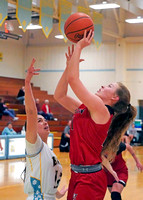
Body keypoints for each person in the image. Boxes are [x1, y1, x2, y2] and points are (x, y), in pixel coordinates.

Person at [54, 30, 136, 200]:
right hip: (77, 175)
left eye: (109, 86)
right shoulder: (88, 109)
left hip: (89, 179)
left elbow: (74, 81)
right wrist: (68, 66)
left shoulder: (102, 110)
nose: (103, 85)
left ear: (114, 98)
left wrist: (79, 47)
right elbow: (59, 96)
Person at [24, 58, 67, 200]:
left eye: (44, 120)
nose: (45, 122)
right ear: (31, 128)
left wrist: (57, 194)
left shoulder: (47, 150)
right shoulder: (34, 145)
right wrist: (27, 82)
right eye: (39, 121)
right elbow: (31, 113)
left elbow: (46, 177)